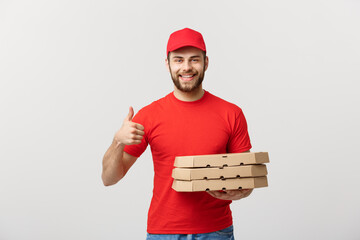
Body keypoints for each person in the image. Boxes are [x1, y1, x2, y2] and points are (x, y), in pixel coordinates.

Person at [102, 28, 253, 240]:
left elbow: (246, 181)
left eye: (194, 60)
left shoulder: (231, 114)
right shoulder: (149, 116)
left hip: (216, 231)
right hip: (163, 233)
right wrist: (118, 141)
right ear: (168, 64)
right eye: (179, 60)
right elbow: (109, 179)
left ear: (206, 63)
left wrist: (240, 191)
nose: (187, 67)